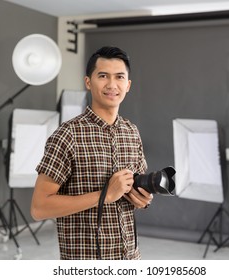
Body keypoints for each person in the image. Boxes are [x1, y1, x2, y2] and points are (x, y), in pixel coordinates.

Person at [31, 46, 153, 260]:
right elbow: (39, 207)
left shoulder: (131, 132)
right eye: (103, 76)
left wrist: (143, 199)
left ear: (128, 85)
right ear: (88, 82)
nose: (112, 85)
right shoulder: (67, 135)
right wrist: (105, 195)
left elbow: (136, 193)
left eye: (119, 77)